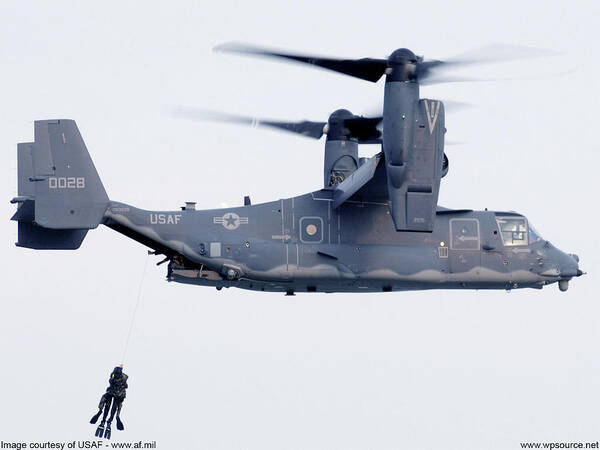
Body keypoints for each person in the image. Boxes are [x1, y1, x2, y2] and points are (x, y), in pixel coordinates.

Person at [90, 365, 129, 440]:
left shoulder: (116, 377)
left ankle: (105, 422)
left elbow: (114, 379)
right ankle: (107, 422)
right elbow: (125, 385)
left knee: (110, 406)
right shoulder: (120, 378)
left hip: (114, 394)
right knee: (112, 407)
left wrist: (99, 411)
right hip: (116, 395)